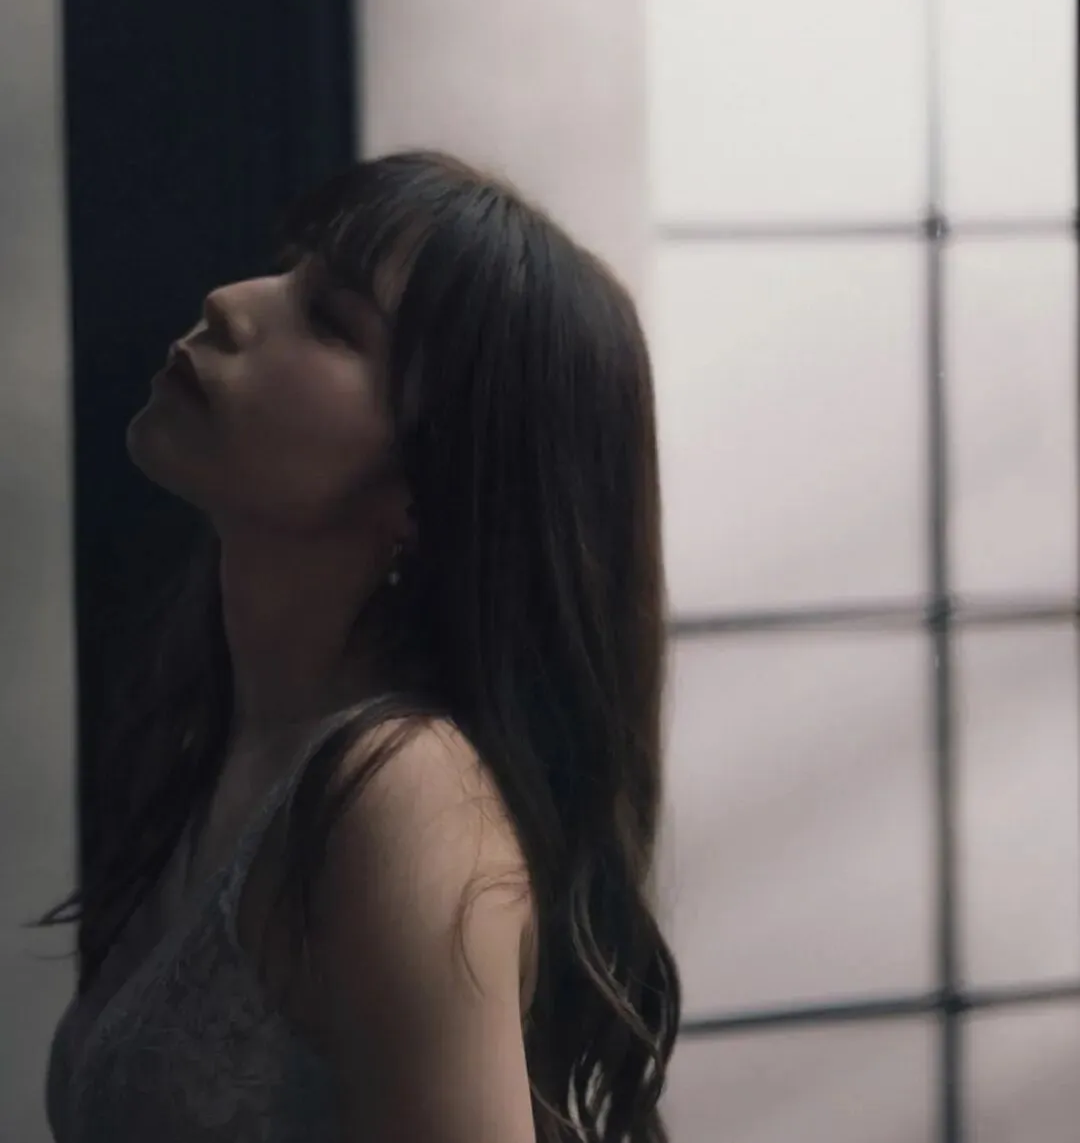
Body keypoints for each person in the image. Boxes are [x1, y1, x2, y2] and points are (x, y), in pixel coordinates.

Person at [33, 149, 682, 1141]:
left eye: (331, 320)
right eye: (286, 269)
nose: (230, 302)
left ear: (429, 488)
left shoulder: (404, 794)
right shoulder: (232, 735)